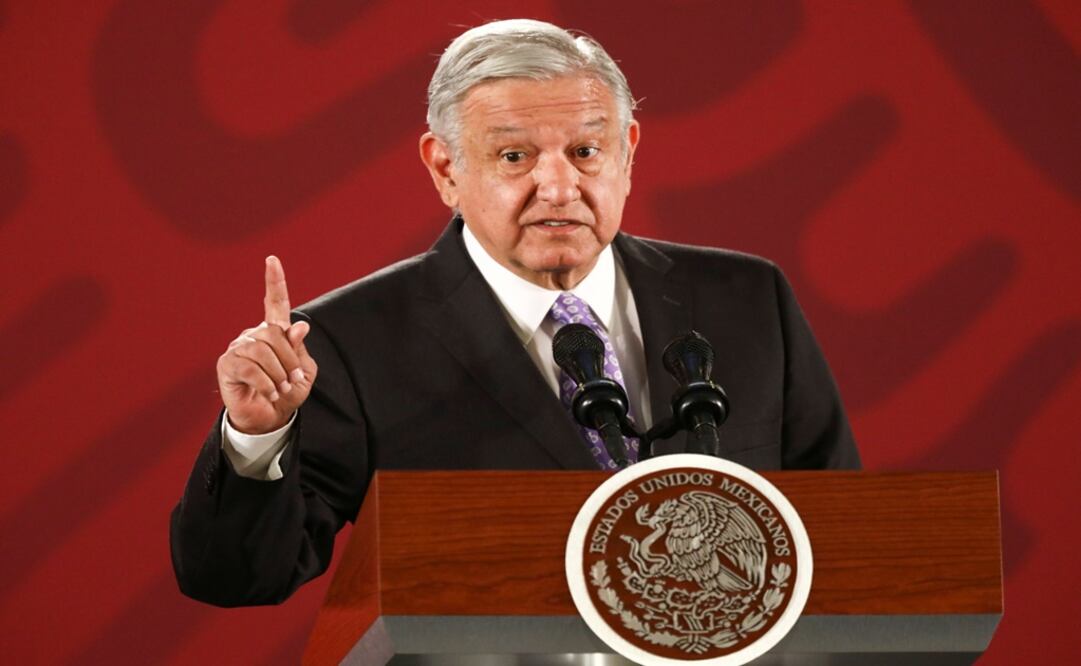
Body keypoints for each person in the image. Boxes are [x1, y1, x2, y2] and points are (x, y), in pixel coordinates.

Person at [171, 19, 859, 607]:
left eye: (585, 151)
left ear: (627, 153)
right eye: (513, 156)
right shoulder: (350, 343)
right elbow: (237, 577)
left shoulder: (746, 298)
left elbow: (847, 537)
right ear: (445, 169)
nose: (558, 186)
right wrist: (255, 437)